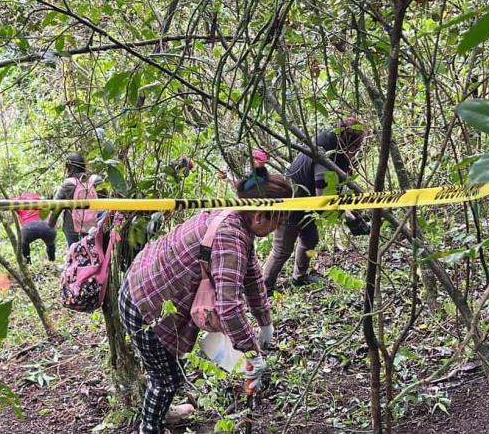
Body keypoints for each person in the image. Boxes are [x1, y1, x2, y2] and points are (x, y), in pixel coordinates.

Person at [119, 167, 291, 434]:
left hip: (146, 288)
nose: (279, 228)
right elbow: (229, 308)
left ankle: (161, 411)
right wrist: (251, 352)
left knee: (170, 368)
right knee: (166, 379)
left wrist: (264, 322)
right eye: (278, 222)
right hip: (143, 302)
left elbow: (251, 274)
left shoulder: (235, 219)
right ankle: (149, 427)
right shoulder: (230, 236)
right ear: (259, 216)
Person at [263, 117, 365, 291]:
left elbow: (342, 179)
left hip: (307, 202)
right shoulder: (324, 154)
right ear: (350, 144)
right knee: (282, 250)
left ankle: (299, 277)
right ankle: (264, 287)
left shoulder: (335, 146)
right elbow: (324, 203)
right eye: (356, 147)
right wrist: (350, 219)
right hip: (292, 203)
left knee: (310, 239)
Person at [47, 153, 104, 246]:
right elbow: (106, 203)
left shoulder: (67, 184)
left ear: (68, 167)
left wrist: (50, 225)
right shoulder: (97, 180)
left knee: (74, 254)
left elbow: (56, 207)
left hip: (72, 228)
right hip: (95, 225)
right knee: (96, 253)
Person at [13, 192, 58, 263]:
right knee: (50, 244)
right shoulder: (37, 198)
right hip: (46, 226)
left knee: (23, 244)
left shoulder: (19, 201)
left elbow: (12, 203)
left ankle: (27, 263)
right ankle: (51, 261)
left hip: (29, 227)